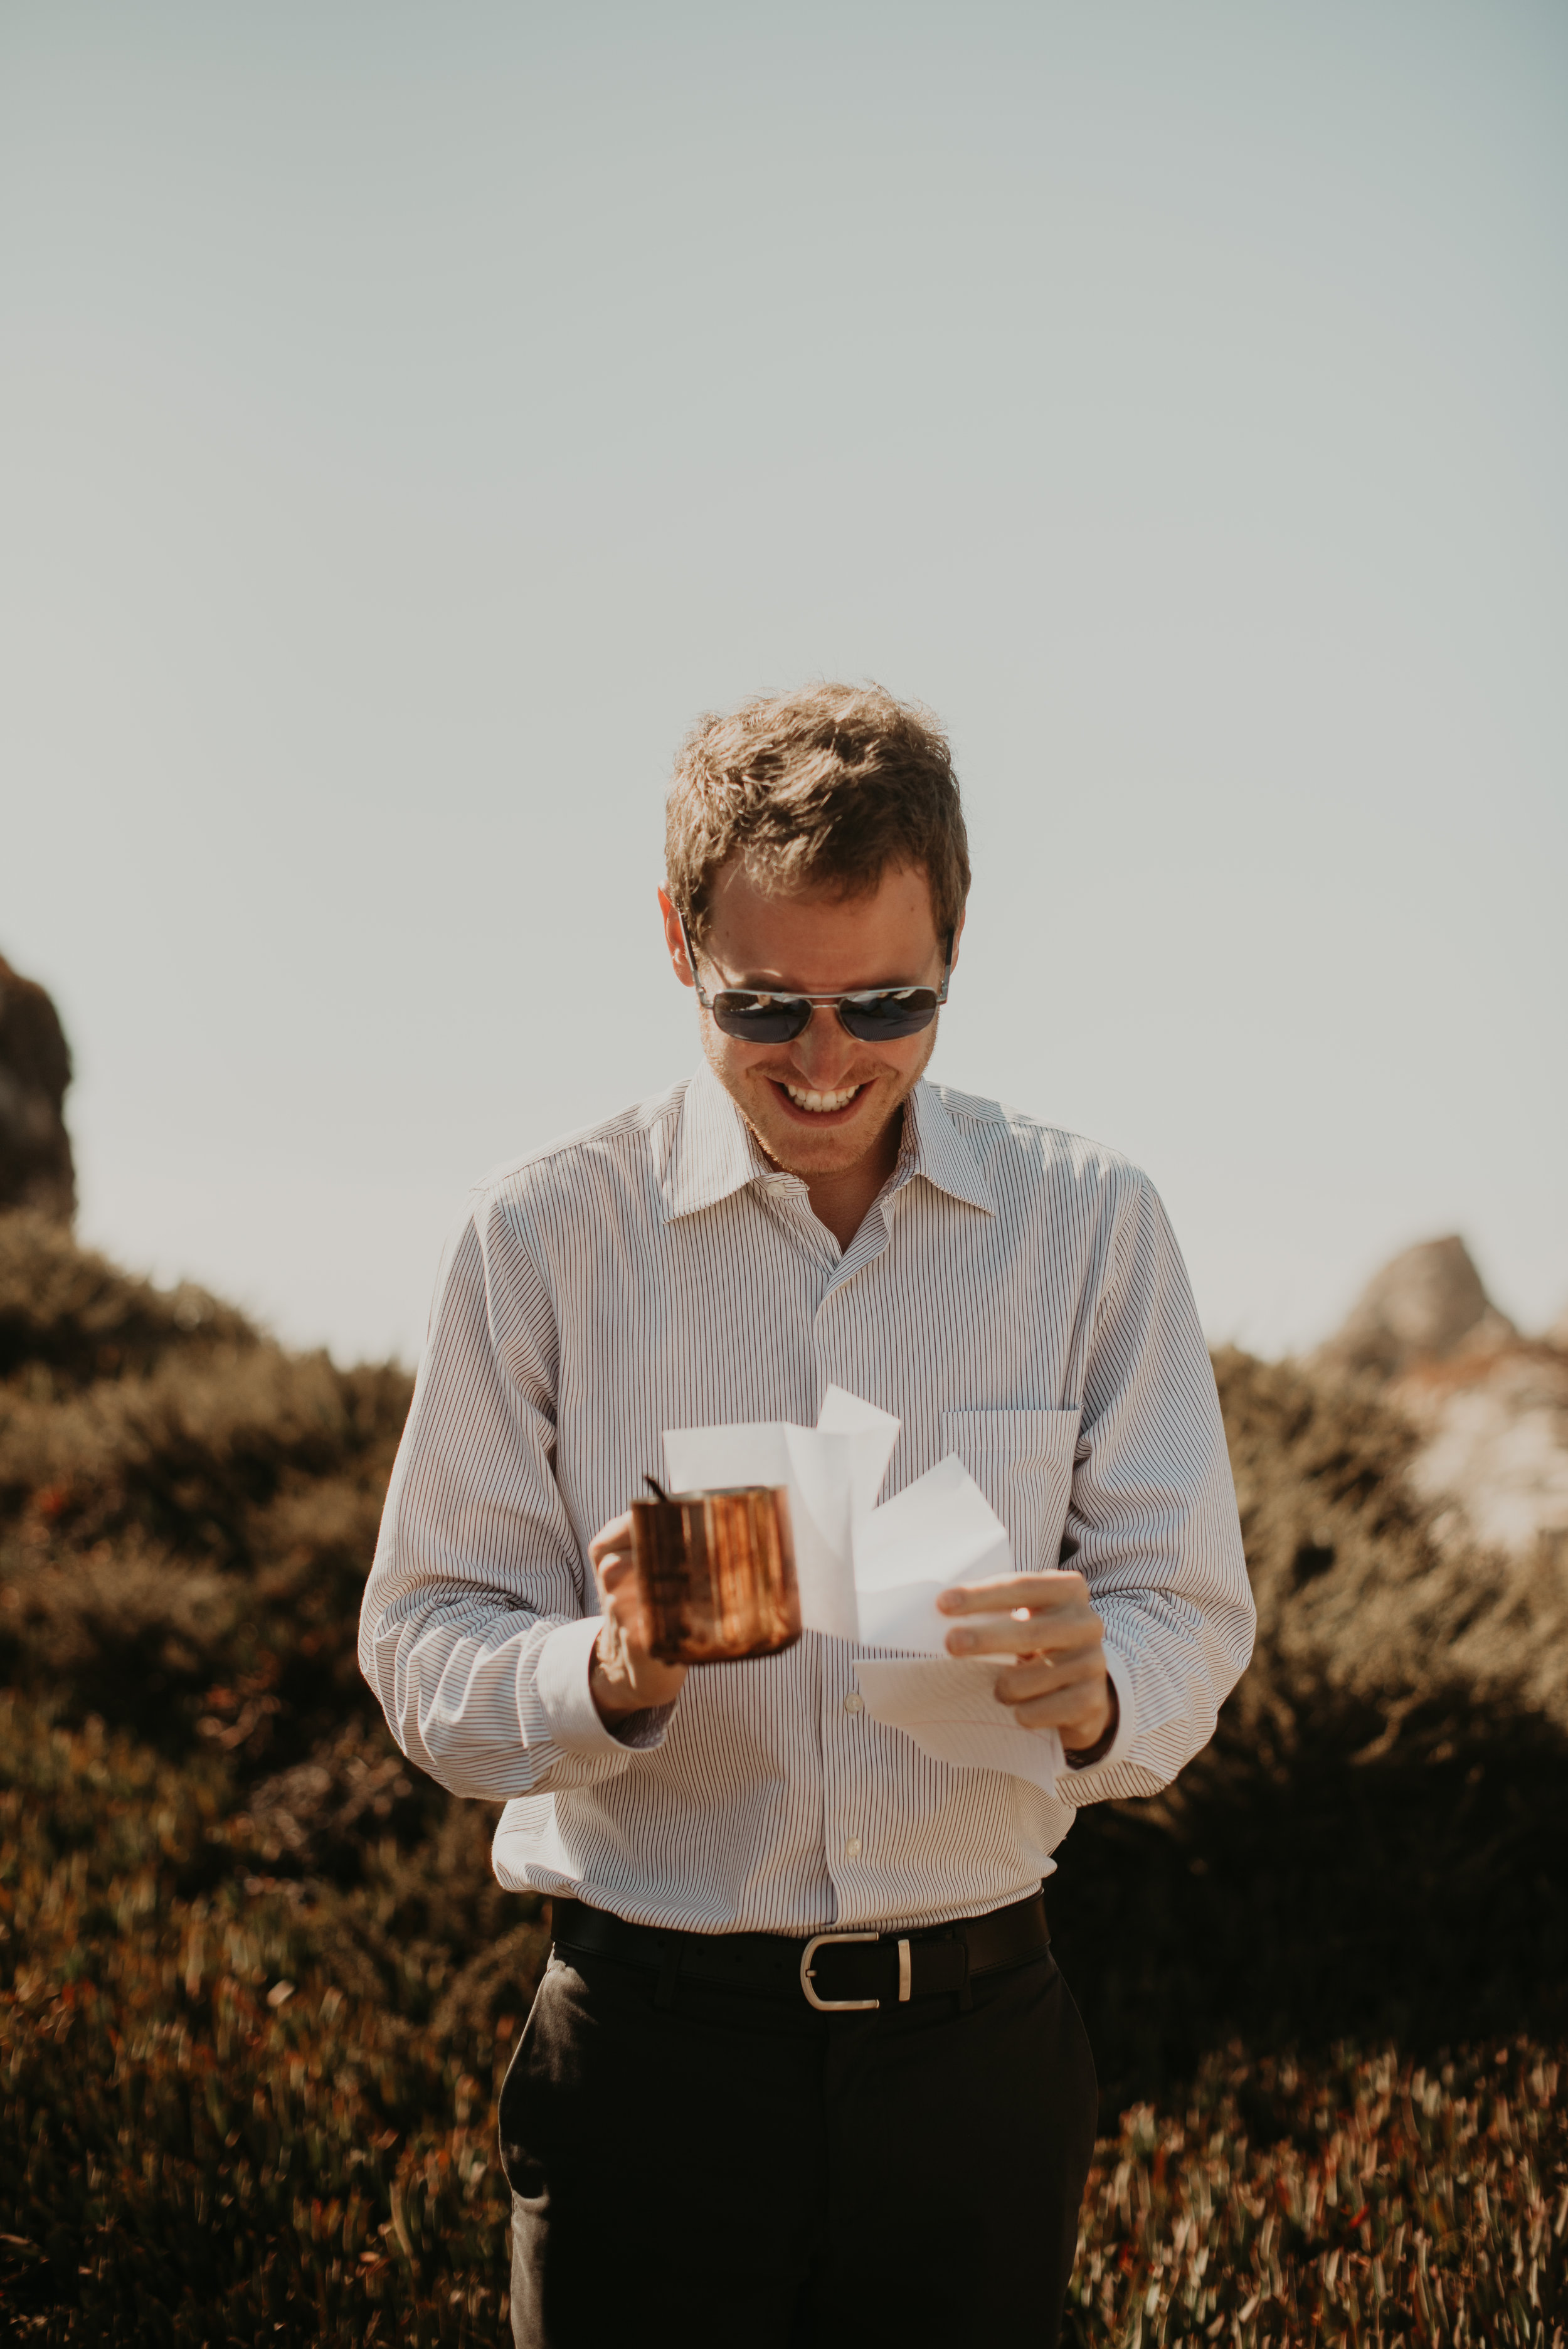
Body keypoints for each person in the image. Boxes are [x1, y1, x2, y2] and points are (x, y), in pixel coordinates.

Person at [359, 682, 1254, 2347]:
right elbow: (420, 1640)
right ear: (674, 938)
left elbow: (1186, 1608)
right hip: (647, 2061)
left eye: (887, 1000)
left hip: (977, 2062)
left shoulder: (1093, 1227)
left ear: (959, 946)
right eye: (765, 1005)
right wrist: (601, 1674)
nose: (828, 1062)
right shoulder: (538, 1240)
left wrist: (1104, 1687)